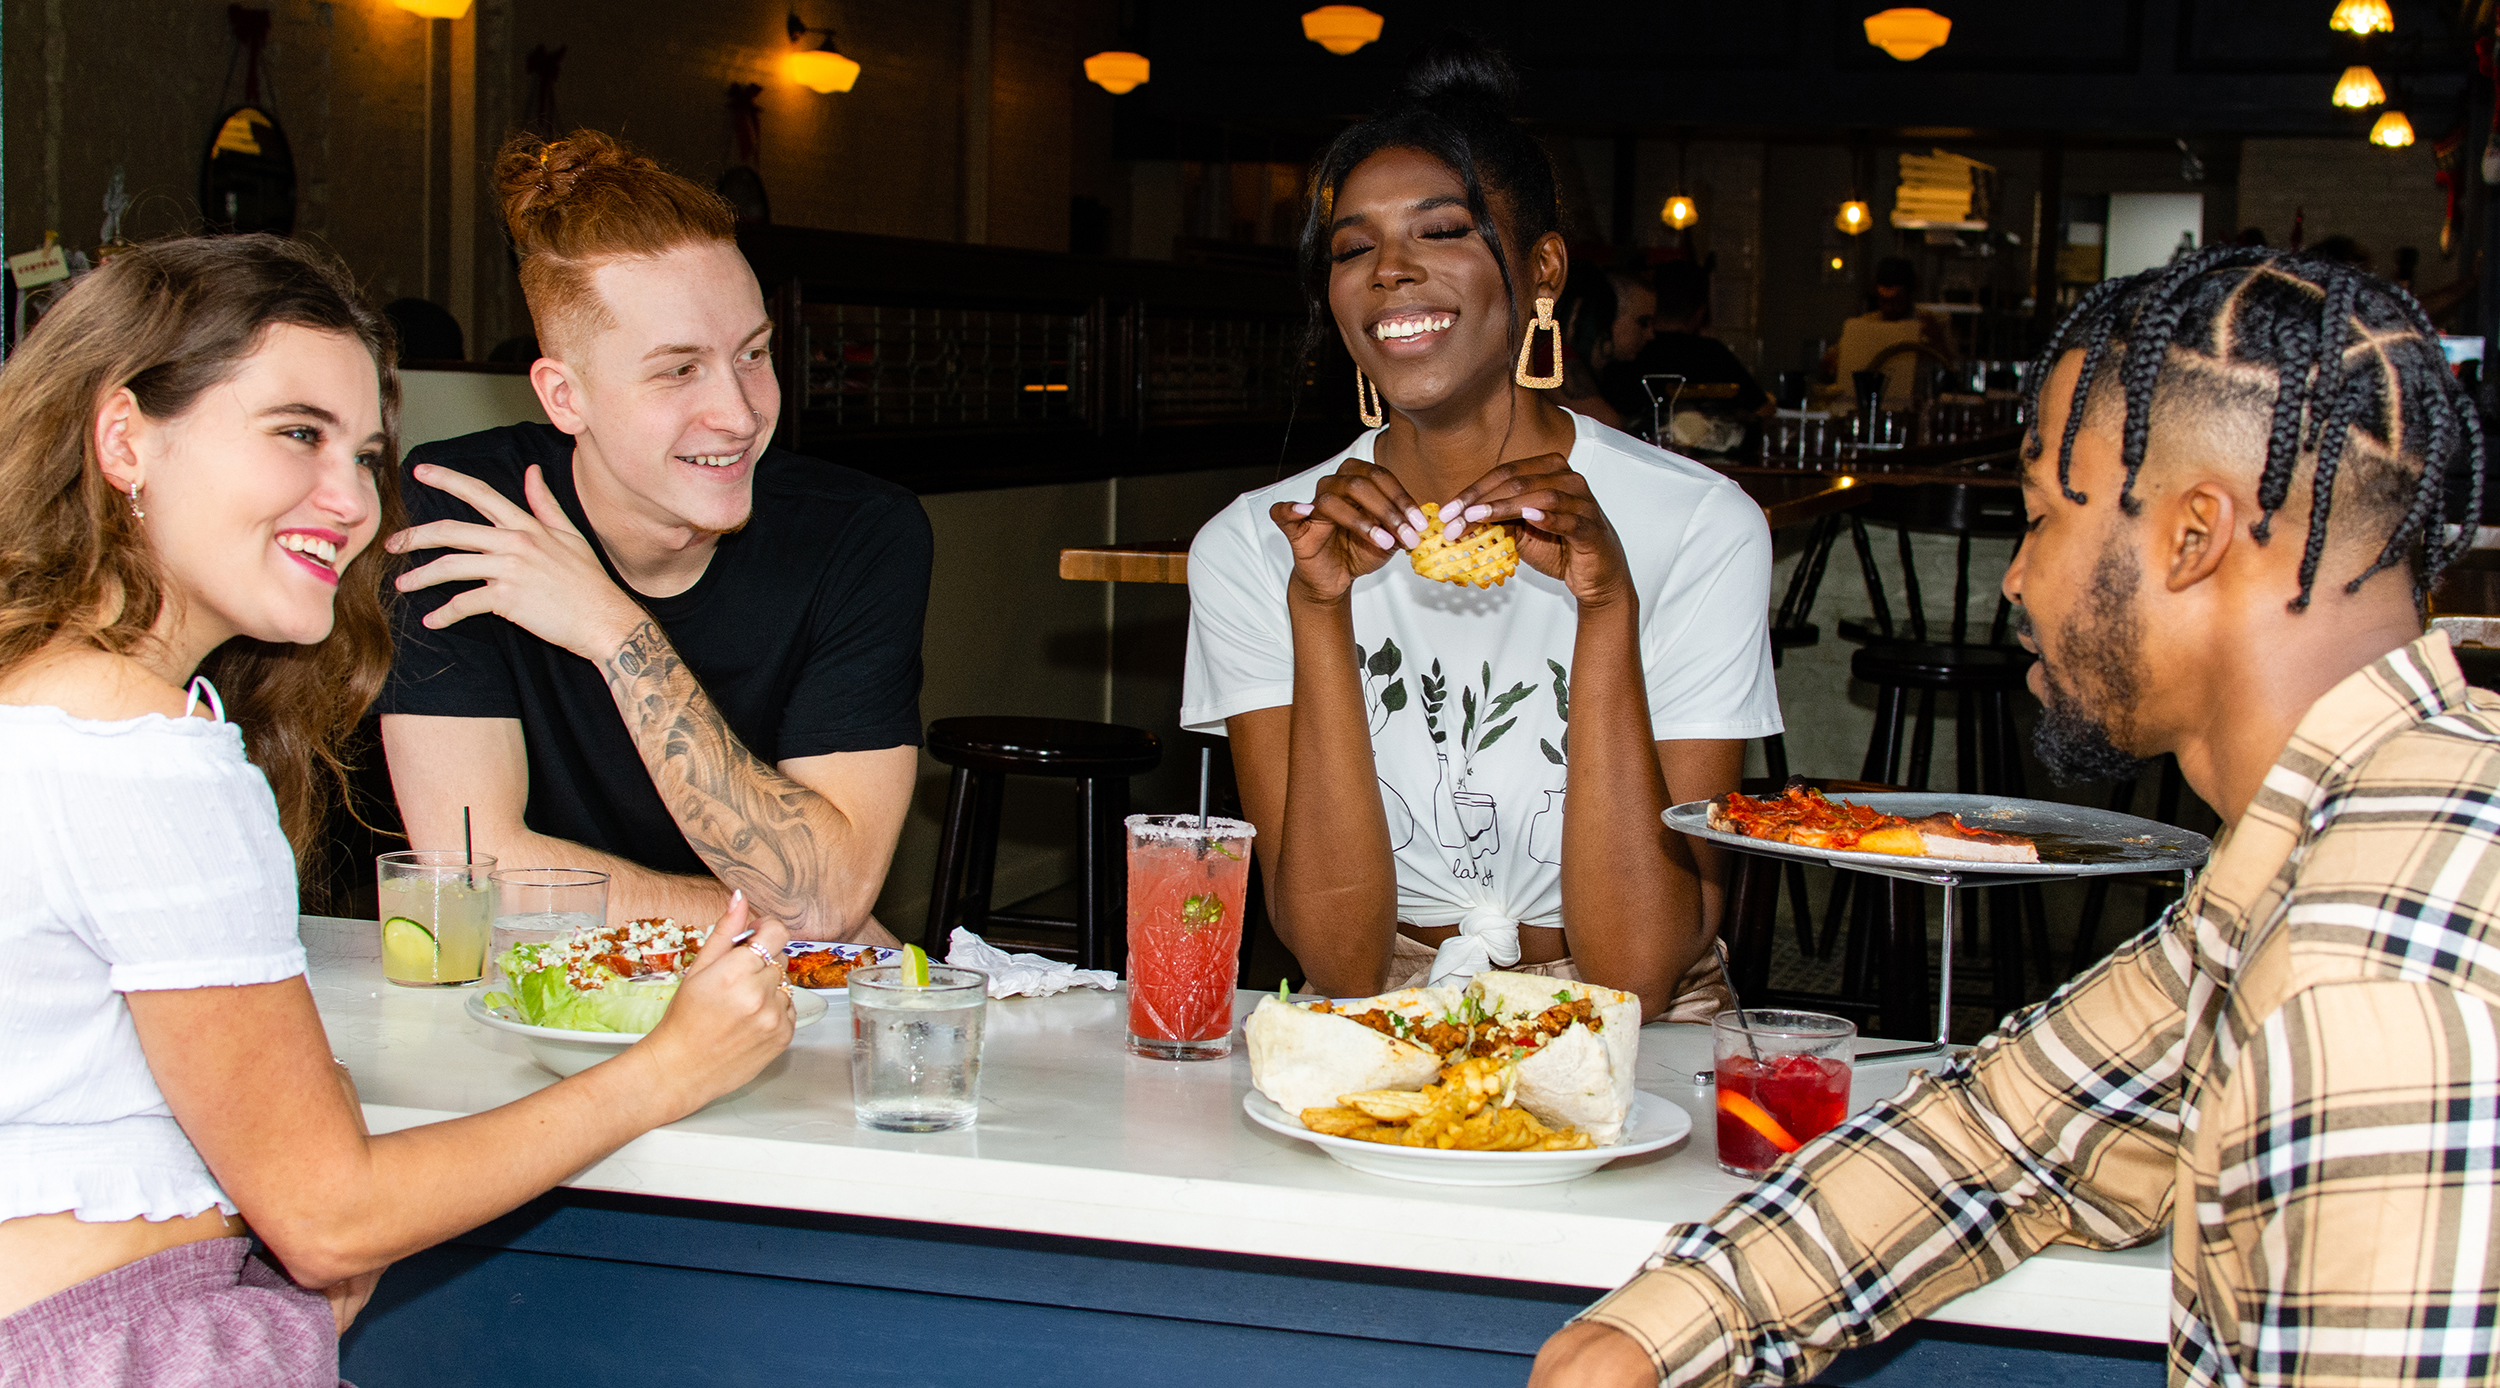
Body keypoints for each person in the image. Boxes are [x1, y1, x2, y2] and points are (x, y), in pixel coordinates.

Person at [1532, 247, 2500, 1386]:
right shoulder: (2342, 824)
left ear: (2193, 535)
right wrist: (1654, 1330)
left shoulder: (2373, 982)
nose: (2012, 577)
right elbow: (2013, 1130)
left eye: (2040, 517)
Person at [0, 234, 795, 1383]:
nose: (353, 501)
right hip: (119, 1339)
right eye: (296, 434)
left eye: (367, 453)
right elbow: (331, 1213)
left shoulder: (39, 700)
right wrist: (669, 1066)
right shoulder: (141, 754)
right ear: (125, 437)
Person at [1180, 39, 1782, 1023]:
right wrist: (1319, 613)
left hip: (1643, 1025)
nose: (1389, 273)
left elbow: (1637, 966)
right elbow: (1336, 958)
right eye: (1352, 247)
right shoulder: (1256, 546)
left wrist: (1605, 604)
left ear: (1541, 268)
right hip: (1384, 1012)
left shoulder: (1698, 525)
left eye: (1442, 231)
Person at [379, 131, 930, 944]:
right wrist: (797, 920)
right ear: (565, 397)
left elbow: (827, 898)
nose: (740, 415)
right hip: (524, 998)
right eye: (678, 370)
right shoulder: (464, 511)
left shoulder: (859, 534)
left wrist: (614, 630)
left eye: (753, 354)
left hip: (766, 1005)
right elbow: (472, 876)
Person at [1629, 259, 1767, 415]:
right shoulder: (1713, 355)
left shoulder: (1629, 354)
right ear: (1701, 312)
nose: (1648, 336)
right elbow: (1761, 409)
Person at [1829, 255, 1952, 408]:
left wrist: (1937, 340)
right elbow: (1834, 362)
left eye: (1896, 301)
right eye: (1883, 301)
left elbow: (1952, 370)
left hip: (1916, 408)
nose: (1889, 307)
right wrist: (1833, 363)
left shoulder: (1932, 323)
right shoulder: (1866, 323)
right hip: (1872, 407)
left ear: (1911, 293)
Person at [1553, 263, 1659, 431]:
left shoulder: (1617, 372)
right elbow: (1608, 424)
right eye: (1643, 322)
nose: (1650, 335)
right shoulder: (1553, 356)